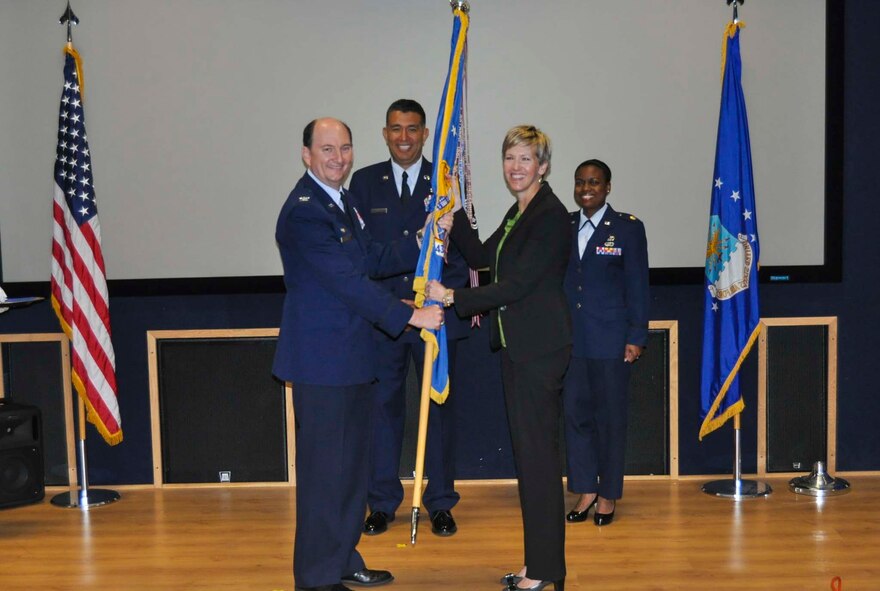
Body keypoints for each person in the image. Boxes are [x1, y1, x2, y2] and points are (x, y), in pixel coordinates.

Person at [273, 117, 446, 591]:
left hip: (349, 359)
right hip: (322, 364)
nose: (338, 158)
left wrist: (420, 240)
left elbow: (368, 259)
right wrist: (411, 317)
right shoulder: (306, 211)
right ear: (306, 154)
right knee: (326, 476)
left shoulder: (340, 201)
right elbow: (348, 285)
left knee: (350, 474)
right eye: (327, 149)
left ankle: (342, 558)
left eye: (345, 148)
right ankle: (316, 577)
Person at [426, 125, 570, 591]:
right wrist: (454, 223)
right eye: (510, 158)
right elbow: (487, 257)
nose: (516, 167)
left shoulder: (550, 216)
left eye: (525, 159)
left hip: (540, 351)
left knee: (540, 465)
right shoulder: (521, 211)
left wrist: (451, 297)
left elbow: (517, 285)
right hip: (518, 348)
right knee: (530, 463)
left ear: (543, 166)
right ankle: (537, 566)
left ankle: (547, 572)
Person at [349, 99, 469, 538]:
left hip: (434, 318)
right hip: (386, 318)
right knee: (383, 411)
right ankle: (381, 503)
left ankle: (439, 502)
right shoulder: (363, 183)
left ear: (424, 134)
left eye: (413, 129)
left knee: (438, 411)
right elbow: (360, 257)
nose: (404, 137)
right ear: (385, 134)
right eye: (396, 129)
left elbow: (458, 250)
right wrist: (393, 307)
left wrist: (450, 303)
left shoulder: (444, 183)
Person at [561, 158, 649, 527]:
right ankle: (586, 489)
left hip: (611, 341)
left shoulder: (627, 228)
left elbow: (638, 285)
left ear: (608, 187)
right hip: (570, 341)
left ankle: (609, 494)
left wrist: (637, 335)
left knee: (610, 419)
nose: (586, 189)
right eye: (580, 182)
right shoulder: (563, 225)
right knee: (576, 417)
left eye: (594, 182)